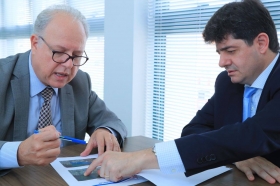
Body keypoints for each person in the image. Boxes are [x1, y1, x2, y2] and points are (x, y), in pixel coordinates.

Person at [84, 0, 280, 184]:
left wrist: (142, 158)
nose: (222, 62)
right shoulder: (228, 82)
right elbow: (193, 130)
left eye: (230, 51)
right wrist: (238, 155)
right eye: (219, 53)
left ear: (261, 43)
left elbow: (253, 134)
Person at [0, 5, 127, 176]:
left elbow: (112, 122)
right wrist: (18, 152)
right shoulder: (3, 77)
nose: (68, 64)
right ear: (35, 43)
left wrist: (105, 131)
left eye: (77, 55)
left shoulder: (80, 81)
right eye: (59, 52)